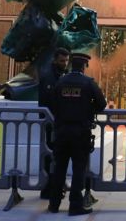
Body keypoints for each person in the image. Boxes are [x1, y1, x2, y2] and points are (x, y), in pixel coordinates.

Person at [47, 52, 107, 216]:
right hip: (80, 132)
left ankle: (54, 204)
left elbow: (52, 104)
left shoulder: (60, 82)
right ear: (84, 66)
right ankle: (75, 205)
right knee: (78, 169)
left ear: (71, 65)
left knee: (59, 168)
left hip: (61, 131)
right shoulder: (88, 83)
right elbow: (102, 104)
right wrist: (88, 109)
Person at [39, 47, 70, 199]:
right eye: (62, 61)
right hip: (52, 123)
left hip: (59, 123)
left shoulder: (62, 75)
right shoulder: (49, 76)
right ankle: (50, 187)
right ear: (55, 60)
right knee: (51, 156)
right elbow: (48, 101)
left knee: (57, 155)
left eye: (66, 61)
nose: (64, 63)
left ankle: (57, 185)